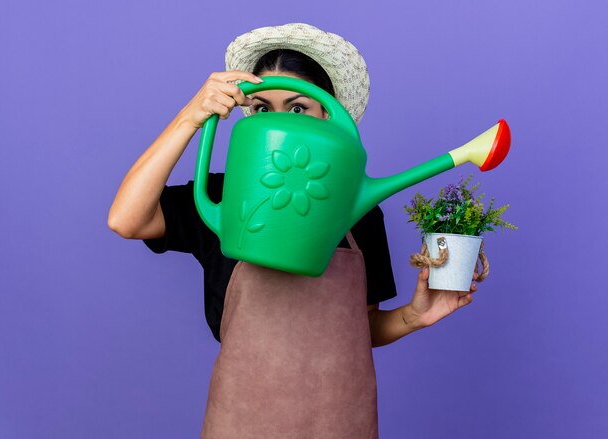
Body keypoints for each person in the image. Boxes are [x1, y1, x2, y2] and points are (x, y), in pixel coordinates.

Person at [108, 23, 478, 439]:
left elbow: (362, 328)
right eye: (264, 108)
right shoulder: (221, 196)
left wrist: (414, 317)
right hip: (241, 421)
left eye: (298, 107)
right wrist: (191, 117)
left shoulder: (360, 212)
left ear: (328, 114)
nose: (280, 121)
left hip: (341, 422)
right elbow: (127, 219)